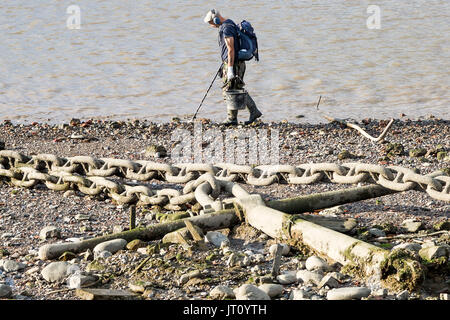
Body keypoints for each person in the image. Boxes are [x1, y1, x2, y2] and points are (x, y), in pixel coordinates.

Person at [203, 9, 262, 126]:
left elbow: (231, 48)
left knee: (229, 89)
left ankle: (236, 117)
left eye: (211, 23)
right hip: (235, 62)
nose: (211, 26)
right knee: (235, 88)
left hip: (234, 64)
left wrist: (229, 69)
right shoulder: (230, 23)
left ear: (216, 19)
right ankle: (236, 117)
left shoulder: (226, 28)